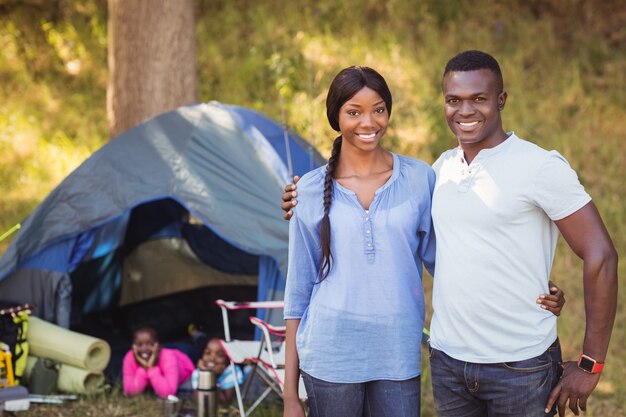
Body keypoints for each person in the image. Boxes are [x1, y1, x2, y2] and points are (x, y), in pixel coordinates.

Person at [281, 51, 602, 417]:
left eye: (378, 109)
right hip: (363, 358)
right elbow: (298, 292)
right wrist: (290, 394)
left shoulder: (422, 177)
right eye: (354, 111)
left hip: (419, 360)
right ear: (335, 116)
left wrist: (531, 289)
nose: (368, 121)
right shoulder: (315, 190)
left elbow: (455, 254)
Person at [428, 50, 617, 417]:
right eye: (454, 100)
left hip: (521, 367)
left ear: (501, 100)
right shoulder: (442, 168)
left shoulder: (539, 166)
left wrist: (591, 362)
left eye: (479, 99)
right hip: (449, 362)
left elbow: (602, 255)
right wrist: (305, 202)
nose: (465, 111)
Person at [122, 325, 195, 399]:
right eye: (139, 345)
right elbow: (130, 393)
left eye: (150, 344)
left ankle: (198, 336)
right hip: (162, 355)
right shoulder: (130, 356)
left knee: (191, 345)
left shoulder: (168, 357)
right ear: (133, 347)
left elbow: (168, 394)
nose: (144, 348)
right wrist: (144, 367)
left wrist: (152, 368)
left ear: (158, 345)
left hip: (183, 361)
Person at [190, 337, 248, 404]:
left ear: (228, 358)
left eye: (220, 355)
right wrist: (206, 374)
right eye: (208, 353)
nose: (212, 358)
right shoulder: (199, 372)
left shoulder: (232, 372)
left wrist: (212, 376)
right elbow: (196, 399)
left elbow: (225, 401)